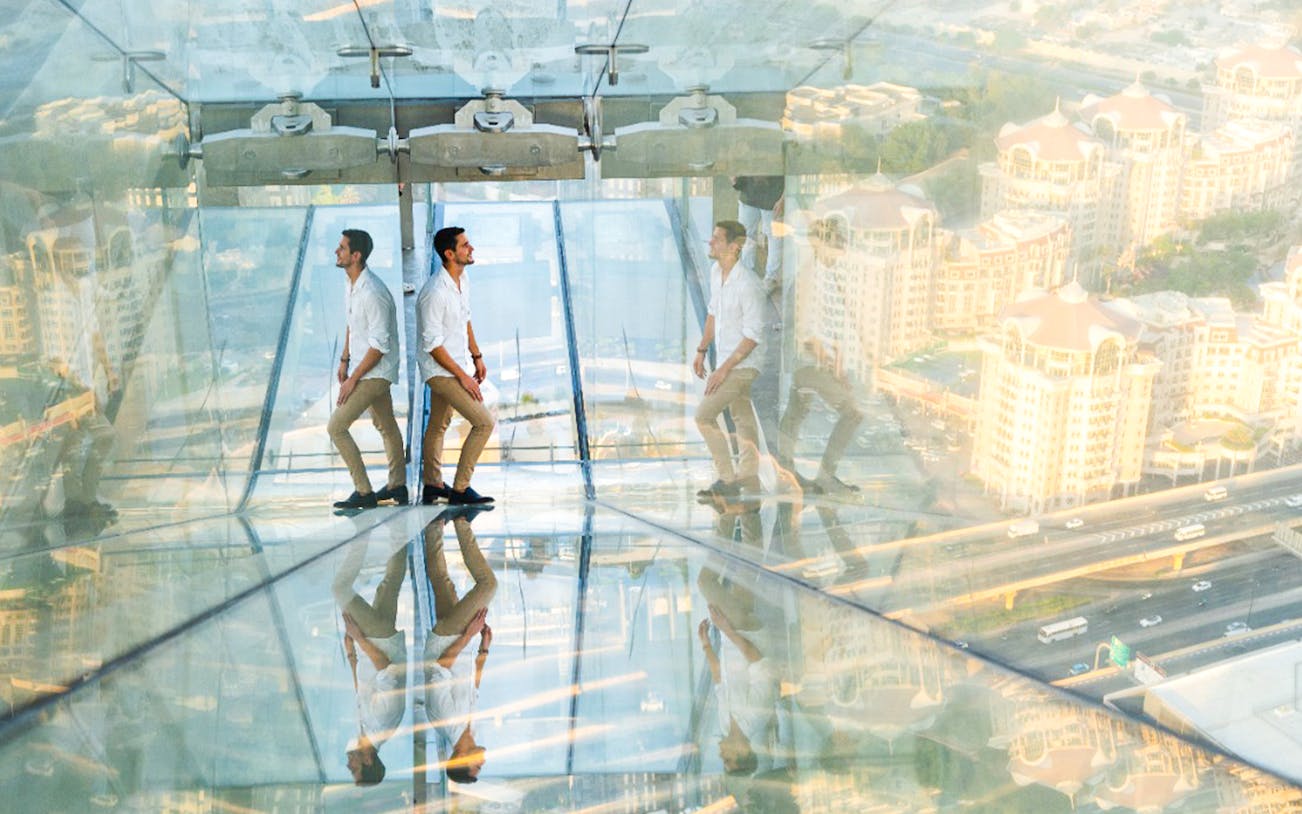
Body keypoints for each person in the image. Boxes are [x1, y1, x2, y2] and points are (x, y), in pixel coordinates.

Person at [778, 218, 863, 494]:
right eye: (838, 246)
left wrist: (836, 360)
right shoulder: (810, 277)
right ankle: (823, 475)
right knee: (853, 413)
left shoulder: (819, 274)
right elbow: (806, 334)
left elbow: (824, 328)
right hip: (809, 364)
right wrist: (831, 367)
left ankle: (785, 472)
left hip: (810, 362)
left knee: (795, 413)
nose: (842, 253)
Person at [415, 227, 495, 506]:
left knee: (438, 424)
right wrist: (464, 378)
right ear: (449, 254)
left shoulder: (463, 279)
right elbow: (433, 345)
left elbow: (465, 319)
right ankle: (460, 489)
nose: (471, 249)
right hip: (440, 370)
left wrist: (476, 356)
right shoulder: (434, 293)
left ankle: (433, 485)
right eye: (465, 246)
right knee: (484, 422)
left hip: (457, 364)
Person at [329, 228, 407, 510]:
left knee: (336, 427)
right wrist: (344, 360)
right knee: (386, 425)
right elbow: (353, 327)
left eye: (341, 248)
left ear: (356, 255)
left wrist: (353, 380)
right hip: (364, 367)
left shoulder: (373, 293)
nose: (337, 252)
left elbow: (379, 346)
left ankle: (363, 492)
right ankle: (398, 487)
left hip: (376, 372)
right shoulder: (351, 285)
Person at [423, 508, 497, 784]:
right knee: (442, 582)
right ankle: (434, 523)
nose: (482, 762)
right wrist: (483, 648)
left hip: (447, 639)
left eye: (477, 767)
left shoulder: (445, 721)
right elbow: (472, 685)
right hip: (460, 642)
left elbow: (440, 668)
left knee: (488, 584)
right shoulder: (470, 729)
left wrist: (469, 633)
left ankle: (461, 520)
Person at [693, 221, 766, 498]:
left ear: (734, 247)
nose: (710, 243)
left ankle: (727, 480)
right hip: (727, 360)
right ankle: (749, 475)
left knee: (704, 416)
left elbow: (753, 336)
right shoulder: (715, 272)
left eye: (717, 239)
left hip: (743, 364)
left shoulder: (748, 284)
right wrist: (701, 350)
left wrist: (723, 371)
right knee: (742, 416)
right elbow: (713, 313)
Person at [331, 536, 410, 785]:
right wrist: (358, 636)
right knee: (340, 589)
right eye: (353, 770)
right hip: (379, 640)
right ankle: (361, 533)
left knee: (389, 584)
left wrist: (352, 656)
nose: (348, 765)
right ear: (368, 762)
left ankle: (399, 526)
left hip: (374, 643)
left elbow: (363, 688)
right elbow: (386, 669)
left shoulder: (366, 731)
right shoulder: (384, 722)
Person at [732, 175, 785, 292]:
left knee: (774, 238)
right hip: (748, 193)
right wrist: (734, 177)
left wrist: (783, 198)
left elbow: (791, 165)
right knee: (746, 236)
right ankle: (746, 275)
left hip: (773, 196)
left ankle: (772, 278)